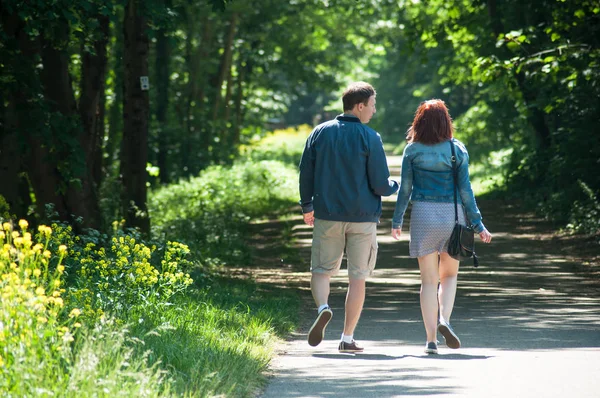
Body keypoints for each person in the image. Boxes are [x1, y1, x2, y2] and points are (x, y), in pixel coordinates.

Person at [299, 82, 399, 353]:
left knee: (321, 271)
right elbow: (380, 184)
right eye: (373, 104)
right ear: (360, 106)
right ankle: (347, 338)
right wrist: (394, 186)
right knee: (358, 278)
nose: (374, 111)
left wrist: (307, 205)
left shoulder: (319, 133)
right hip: (363, 218)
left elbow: (305, 172)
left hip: (327, 215)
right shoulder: (370, 137)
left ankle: (322, 307)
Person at [391, 99, 492, 355]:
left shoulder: (412, 150)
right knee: (449, 276)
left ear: (419, 123)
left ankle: (431, 341)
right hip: (453, 217)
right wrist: (479, 224)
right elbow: (465, 190)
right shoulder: (456, 149)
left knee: (428, 281)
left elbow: (405, 190)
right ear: (447, 122)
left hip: (423, 216)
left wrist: (397, 220)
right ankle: (445, 319)